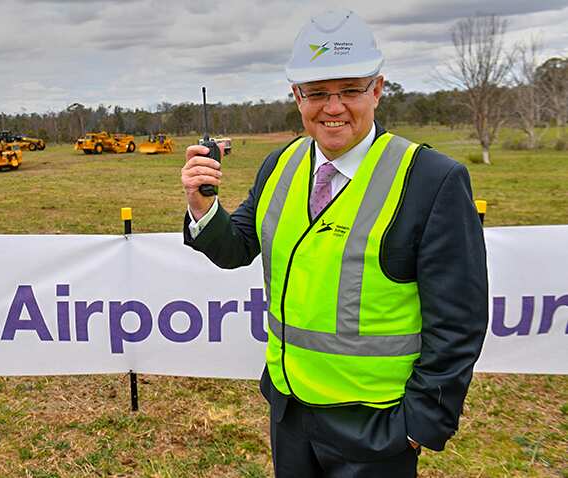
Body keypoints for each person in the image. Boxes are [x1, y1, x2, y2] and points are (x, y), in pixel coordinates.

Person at [180, 9, 488, 478]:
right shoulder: (281, 163)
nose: (333, 106)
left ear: (378, 90)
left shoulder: (432, 179)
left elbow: (459, 320)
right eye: (318, 92)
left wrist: (420, 425)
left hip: (377, 426)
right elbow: (237, 247)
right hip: (289, 412)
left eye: (350, 90)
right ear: (297, 96)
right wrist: (202, 208)